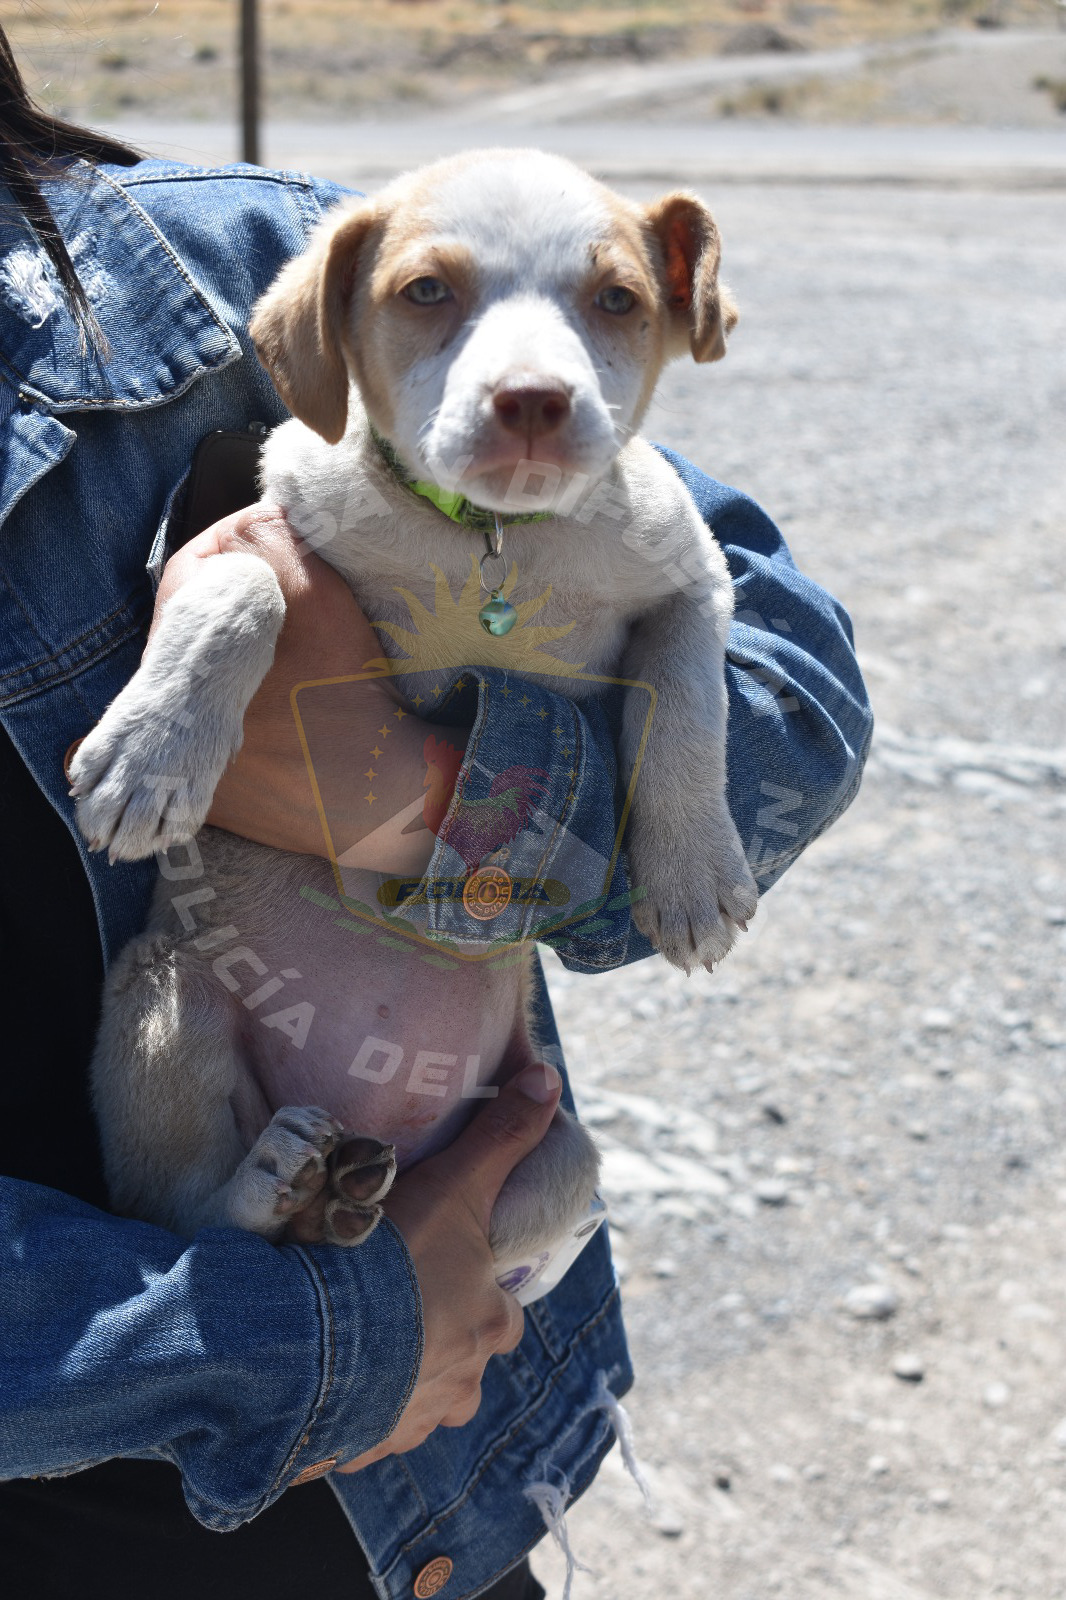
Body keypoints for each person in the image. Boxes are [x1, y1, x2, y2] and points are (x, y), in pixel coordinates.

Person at [0, 25, 873, 1600]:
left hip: (412, 1499)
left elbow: (790, 687)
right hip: (144, 1435)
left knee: (554, 1176)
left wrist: (411, 799)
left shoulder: (236, 266)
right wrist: (328, 1335)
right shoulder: (321, 291)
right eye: (440, 306)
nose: (525, 368)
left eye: (611, 302)